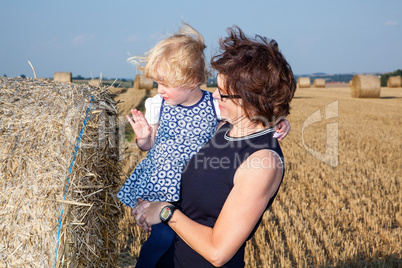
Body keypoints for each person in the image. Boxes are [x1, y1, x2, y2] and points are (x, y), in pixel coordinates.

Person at [132, 25, 297, 268]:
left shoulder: (263, 163)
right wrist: (150, 203)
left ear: (251, 102)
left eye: (222, 93)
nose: (214, 97)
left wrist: (166, 213)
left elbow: (218, 251)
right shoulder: (222, 129)